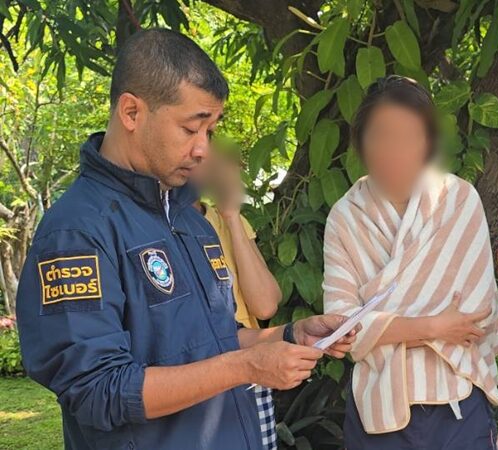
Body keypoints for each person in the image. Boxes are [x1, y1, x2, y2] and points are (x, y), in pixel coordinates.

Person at [15, 28, 357, 450]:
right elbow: (98, 390)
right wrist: (245, 367)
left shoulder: (189, 220)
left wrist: (289, 335)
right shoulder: (78, 233)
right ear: (131, 112)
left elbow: (214, 338)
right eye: (191, 128)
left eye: (210, 131)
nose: (203, 150)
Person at [322, 75, 498, 450]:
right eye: (382, 135)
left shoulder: (458, 200)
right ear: (360, 141)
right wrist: (434, 325)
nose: (395, 150)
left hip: (457, 399)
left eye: (410, 136)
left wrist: (380, 323)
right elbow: (342, 328)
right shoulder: (345, 217)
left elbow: (474, 316)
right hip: (378, 410)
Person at [191, 146, 282, 450]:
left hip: (251, 365)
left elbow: (266, 305)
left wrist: (231, 218)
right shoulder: (162, 226)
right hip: (202, 372)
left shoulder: (228, 221)